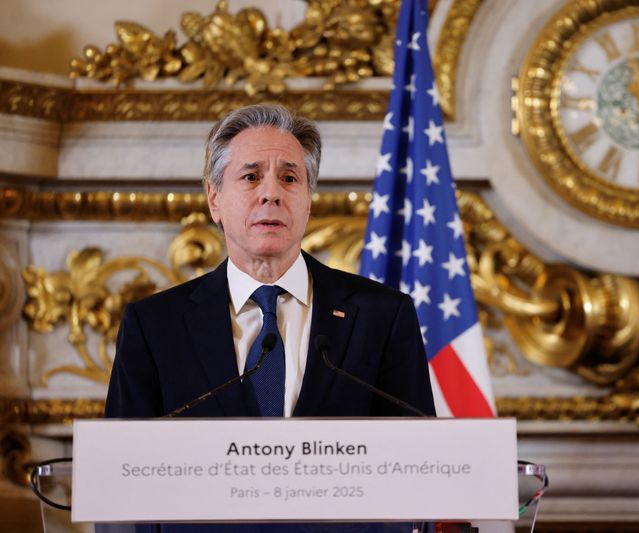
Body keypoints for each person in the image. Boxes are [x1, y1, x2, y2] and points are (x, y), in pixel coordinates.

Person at [105, 103, 435, 532]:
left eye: (290, 177)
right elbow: (120, 488)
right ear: (214, 199)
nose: (271, 192)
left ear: (308, 201)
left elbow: (418, 471)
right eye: (250, 176)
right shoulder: (154, 326)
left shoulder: (382, 315)